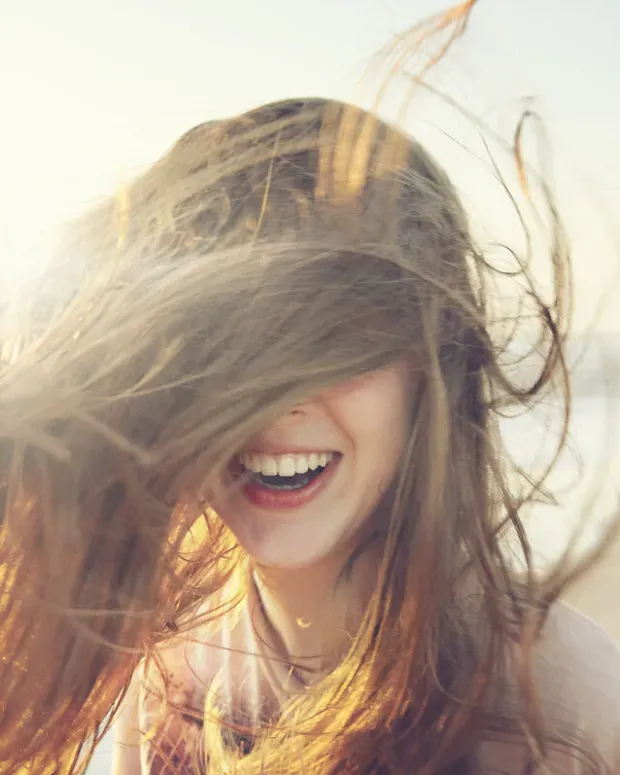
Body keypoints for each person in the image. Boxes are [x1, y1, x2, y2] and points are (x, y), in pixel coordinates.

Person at [0, 8, 619, 775]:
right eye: (224, 348)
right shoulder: (164, 677)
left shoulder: (561, 709)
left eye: (329, 343)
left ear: (430, 369)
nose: (273, 404)